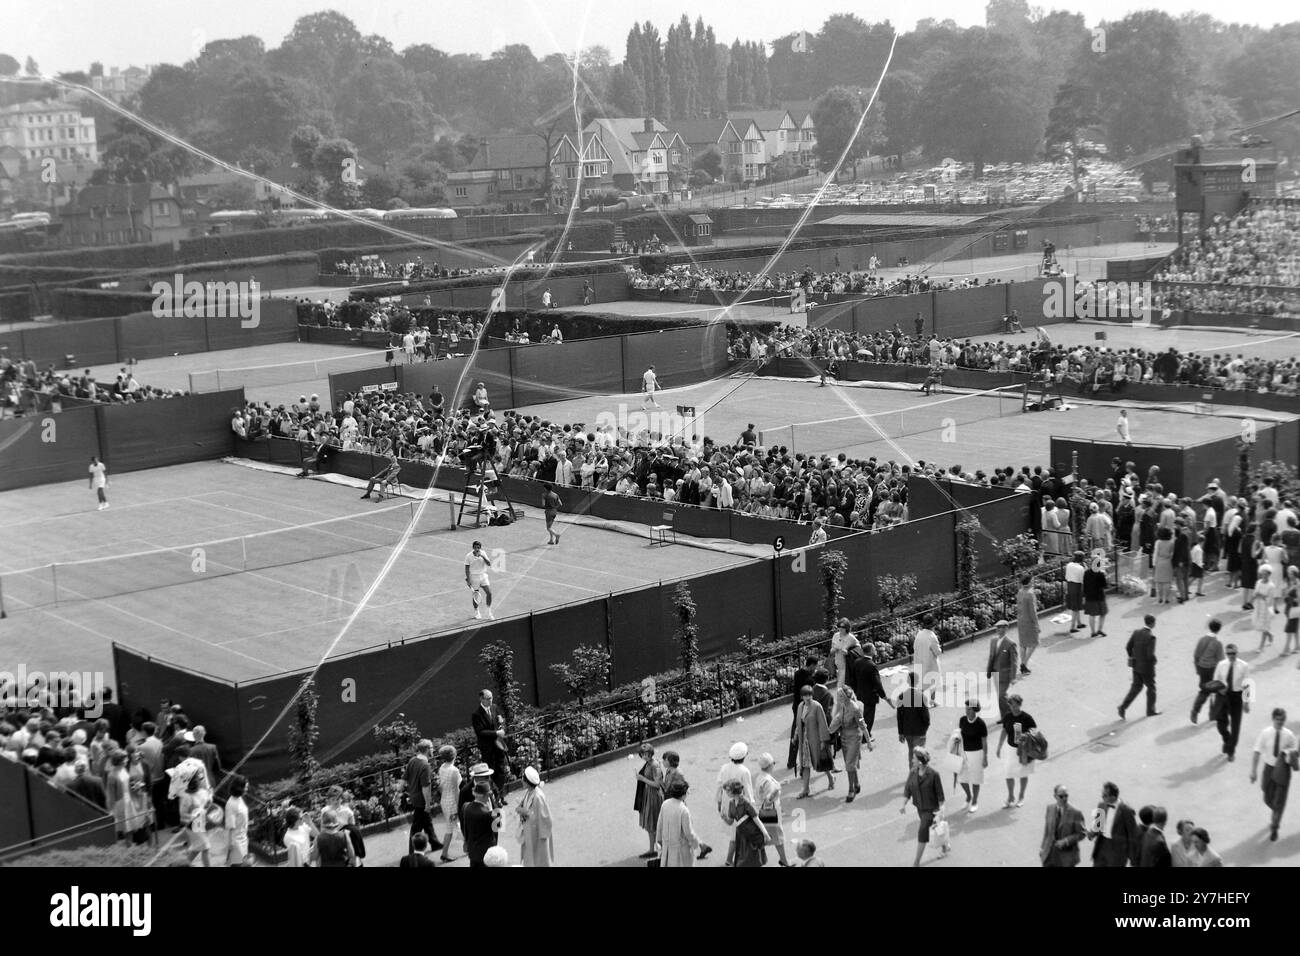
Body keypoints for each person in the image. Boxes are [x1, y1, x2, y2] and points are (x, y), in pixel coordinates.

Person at [1250, 707, 1298, 841]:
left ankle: (1275, 826)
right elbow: (1257, 751)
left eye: (1282, 720)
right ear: (1273, 719)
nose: (1280, 723)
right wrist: (1253, 771)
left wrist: (1290, 756)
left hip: (1283, 770)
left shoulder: (1289, 735)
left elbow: (1295, 754)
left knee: (1280, 801)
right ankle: (1275, 810)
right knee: (1267, 797)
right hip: (1269, 769)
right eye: (1278, 720)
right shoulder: (1265, 733)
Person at [900, 747, 946, 867]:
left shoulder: (934, 775)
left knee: (923, 833)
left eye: (914, 759)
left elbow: (940, 796)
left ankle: (916, 862)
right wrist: (903, 804)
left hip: (931, 810)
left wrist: (940, 813)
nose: (912, 760)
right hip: (920, 808)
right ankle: (945, 846)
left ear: (920, 762)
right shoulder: (913, 772)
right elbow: (908, 788)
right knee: (935, 828)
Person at [829, 684, 869, 802]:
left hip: (854, 738)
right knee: (850, 764)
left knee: (849, 765)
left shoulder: (855, 709)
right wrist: (830, 729)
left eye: (840, 695)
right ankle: (856, 784)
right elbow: (837, 719)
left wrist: (869, 742)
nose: (838, 697)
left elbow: (862, 725)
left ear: (847, 696)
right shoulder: (842, 706)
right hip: (844, 738)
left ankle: (851, 790)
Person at [996, 694, 1037, 808]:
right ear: (1009, 705)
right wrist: (999, 746)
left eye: (1016, 705)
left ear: (1020, 704)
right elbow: (1004, 730)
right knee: (1008, 773)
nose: (1014, 707)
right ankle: (1010, 797)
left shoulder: (1026, 717)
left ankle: (1021, 796)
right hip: (1010, 749)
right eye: (1012, 705)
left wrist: (1026, 734)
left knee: (1023, 773)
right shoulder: (1008, 717)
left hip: (1024, 749)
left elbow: (1033, 729)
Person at [716, 741, 754, 864]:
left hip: (727, 804)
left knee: (734, 834)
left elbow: (719, 787)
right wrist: (752, 809)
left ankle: (729, 860)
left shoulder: (724, 767)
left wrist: (719, 804)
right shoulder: (744, 771)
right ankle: (735, 860)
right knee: (738, 835)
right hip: (740, 807)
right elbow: (748, 791)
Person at [1211, 643, 1250, 760]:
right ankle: (1227, 740)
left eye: (1233, 653)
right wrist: (1217, 693)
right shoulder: (1221, 665)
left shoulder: (1244, 666)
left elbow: (1247, 684)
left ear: (1237, 653)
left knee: (1235, 726)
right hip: (1223, 696)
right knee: (1221, 725)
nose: (1231, 656)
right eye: (1228, 653)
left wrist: (1246, 702)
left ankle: (1230, 751)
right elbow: (1215, 679)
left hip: (1236, 697)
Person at [793, 685, 833, 798]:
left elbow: (822, 724)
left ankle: (831, 777)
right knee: (805, 765)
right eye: (806, 695)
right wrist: (796, 735)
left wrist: (823, 741)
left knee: (820, 761)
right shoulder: (800, 706)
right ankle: (805, 789)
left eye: (810, 694)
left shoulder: (817, 706)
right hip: (804, 740)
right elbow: (799, 723)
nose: (808, 697)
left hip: (815, 739)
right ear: (801, 697)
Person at [1089, 781, 1140, 867]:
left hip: (1118, 850)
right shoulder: (1101, 804)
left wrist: (1133, 858)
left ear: (1113, 796)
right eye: (1102, 794)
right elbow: (1098, 825)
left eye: (1105, 795)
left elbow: (1132, 834)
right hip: (1102, 845)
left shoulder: (1126, 810)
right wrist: (1092, 833)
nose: (1102, 797)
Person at [404, 739, 442, 856]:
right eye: (431, 748)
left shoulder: (412, 761)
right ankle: (413, 852)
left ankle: (434, 843)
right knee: (417, 827)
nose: (433, 750)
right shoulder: (425, 765)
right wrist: (427, 804)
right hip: (421, 800)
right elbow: (425, 787)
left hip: (415, 797)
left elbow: (406, 778)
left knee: (427, 821)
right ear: (426, 750)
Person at [1118, 614, 1160, 720]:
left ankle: (1123, 707)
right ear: (1152, 623)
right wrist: (1154, 662)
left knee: (1136, 687)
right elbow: (1150, 655)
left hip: (1136, 665)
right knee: (1151, 688)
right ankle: (1150, 710)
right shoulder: (1151, 637)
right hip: (1147, 667)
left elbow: (1128, 647)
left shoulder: (1136, 633)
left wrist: (1132, 657)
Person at [753, 753, 791, 866]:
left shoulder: (761, 776)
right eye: (773, 763)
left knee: (768, 836)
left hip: (763, 810)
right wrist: (777, 789)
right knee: (776, 837)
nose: (774, 765)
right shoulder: (768, 781)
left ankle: (782, 860)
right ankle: (784, 861)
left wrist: (779, 784)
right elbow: (768, 800)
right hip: (769, 812)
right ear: (769, 765)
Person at [846, 645, 891, 736]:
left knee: (864, 714)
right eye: (874, 649)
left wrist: (855, 690)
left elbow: (852, 678)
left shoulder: (857, 662)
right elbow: (877, 683)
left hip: (860, 692)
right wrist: (884, 696)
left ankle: (862, 732)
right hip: (870, 695)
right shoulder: (872, 665)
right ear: (870, 651)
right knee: (869, 716)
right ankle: (866, 735)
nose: (875, 650)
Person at [656, 777, 701, 867]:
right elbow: (689, 833)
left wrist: (659, 841)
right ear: (683, 794)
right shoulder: (683, 810)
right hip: (681, 850)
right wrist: (696, 845)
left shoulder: (665, 804)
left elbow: (659, 825)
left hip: (667, 848)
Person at [471, 689, 507, 800]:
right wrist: (496, 733)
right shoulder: (476, 714)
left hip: (499, 746)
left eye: (491, 698)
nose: (491, 700)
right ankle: (494, 797)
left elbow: (499, 723)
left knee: (501, 770)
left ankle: (501, 795)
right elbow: (480, 732)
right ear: (481, 699)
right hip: (487, 748)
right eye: (488, 698)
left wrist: (502, 722)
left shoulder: (494, 708)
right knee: (491, 772)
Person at [723, 778, 768, 867]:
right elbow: (731, 822)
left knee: (752, 861)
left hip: (751, 836)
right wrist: (724, 817)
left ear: (734, 791)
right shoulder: (731, 803)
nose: (726, 792)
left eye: (728, 790)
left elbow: (756, 819)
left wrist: (765, 834)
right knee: (743, 862)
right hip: (741, 836)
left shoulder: (746, 803)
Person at [954, 698, 988, 812]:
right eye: (966, 709)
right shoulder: (962, 720)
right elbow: (959, 735)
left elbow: (984, 741)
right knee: (962, 778)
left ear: (974, 710)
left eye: (969, 709)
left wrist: (985, 757)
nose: (966, 711)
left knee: (975, 779)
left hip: (977, 754)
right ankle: (968, 796)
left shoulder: (981, 723)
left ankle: (975, 801)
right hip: (964, 753)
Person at [1041, 784, 1086, 867]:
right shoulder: (1050, 808)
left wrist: (1066, 841)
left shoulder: (1076, 813)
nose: (1064, 798)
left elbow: (1082, 833)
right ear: (1055, 796)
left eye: (1066, 795)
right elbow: (1047, 830)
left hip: (1066, 856)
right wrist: (1043, 847)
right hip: (1049, 854)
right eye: (1061, 796)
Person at [1190, 619, 1226, 724]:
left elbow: (1196, 655)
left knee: (1205, 690)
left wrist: (1197, 669)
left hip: (1201, 668)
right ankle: (1213, 715)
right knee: (1218, 690)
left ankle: (1195, 711)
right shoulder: (1218, 643)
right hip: (1212, 669)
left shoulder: (1202, 639)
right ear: (1219, 629)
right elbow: (1221, 661)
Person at [516, 766, 554, 866]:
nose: (521, 781)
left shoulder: (538, 796)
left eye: (523, 779)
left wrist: (525, 812)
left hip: (537, 834)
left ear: (527, 781)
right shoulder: (529, 792)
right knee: (530, 858)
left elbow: (545, 817)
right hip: (529, 832)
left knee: (539, 859)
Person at [895, 670, 932, 770]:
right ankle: (918, 775)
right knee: (919, 754)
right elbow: (926, 717)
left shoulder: (901, 696)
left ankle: (912, 773)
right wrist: (925, 729)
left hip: (907, 731)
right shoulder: (921, 696)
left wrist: (901, 732)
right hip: (919, 732)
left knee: (911, 753)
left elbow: (899, 716)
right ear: (917, 681)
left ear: (908, 681)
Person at [634, 742, 665, 858]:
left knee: (653, 824)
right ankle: (653, 849)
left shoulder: (654, 765)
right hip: (648, 795)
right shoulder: (649, 763)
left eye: (646, 754)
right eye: (642, 754)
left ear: (650, 753)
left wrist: (642, 779)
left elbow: (657, 785)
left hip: (654, 796)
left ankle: (658, 850)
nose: (644, 756)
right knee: (650, 825)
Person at [462, 780, 499, 867]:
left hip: (473, 851)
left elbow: (465, 828)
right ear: (486, 795)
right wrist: (492, 807)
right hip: (486, 854)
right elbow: (499, 824)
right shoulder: (488, 814)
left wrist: (465, 842)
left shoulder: (466, 807)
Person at [986, 620, 1019, 720]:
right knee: (1001, 697)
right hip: (996, 673)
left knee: (1001, 696)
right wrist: (989, 671)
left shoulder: (1010, 644)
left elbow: (1014, 662)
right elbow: (991, 656)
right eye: (997, 628)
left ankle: (1011, 714)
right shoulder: (993, 641)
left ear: (1006, 629)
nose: (999, 630)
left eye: (1001, 628)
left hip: (1005, 675)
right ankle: (1005, 716)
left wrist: (1013, 677)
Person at [436, 745, 461, 862]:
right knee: (450, 829)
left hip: (444, 800)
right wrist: (459, 804)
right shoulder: (454, 770)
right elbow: (457, 790)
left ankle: (467, 845)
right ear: (454, 756)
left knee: (455, 825)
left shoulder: (442, 768)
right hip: (452, 803)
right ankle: (444, 854)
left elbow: (441, 786)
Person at [465, 541, 495, 620]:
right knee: (476, 595)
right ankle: (477, 612)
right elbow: (467, 569)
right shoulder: (468, 556)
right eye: (475, 547)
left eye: (478, 547)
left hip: (483, 576)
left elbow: (489, 564)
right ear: (473, 547)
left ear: (480, 548)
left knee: (489, 593)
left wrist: (482, 556)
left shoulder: (483, 553)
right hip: (474, 577)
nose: (477, 549)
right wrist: (468, 579)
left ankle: (489, 612)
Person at [223, 776, 250, 866]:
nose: (247, 789)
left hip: (243, 838)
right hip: (236, 841)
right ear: (239, 788)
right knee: (238, 864)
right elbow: (230, 826)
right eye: (245, 787)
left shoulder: (239, 798)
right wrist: (230, 844)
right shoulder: (230, 804)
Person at [912, 614, 942, 692]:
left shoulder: (919, 634)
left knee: (922, 684)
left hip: (919, 661)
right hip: (930, 663)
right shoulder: (932, 637)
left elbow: (914, 647)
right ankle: (932, 701)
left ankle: (923, 701)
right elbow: (938, 652)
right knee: (932, 683)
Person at [1083, 554, 1109, 637]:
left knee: (1092, 615)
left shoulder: (1086, 572)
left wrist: (1084, 596)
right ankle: (1100, 630)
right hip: (1099, 596)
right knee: (1103, 614)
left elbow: (1085, 585)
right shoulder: (1101, 573)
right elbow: (1105, 585)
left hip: (1090, 596)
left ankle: (1093, 632)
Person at [1253, 565, 1278, 650]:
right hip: (1258, 606)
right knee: (1260, 626)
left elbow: (1270, 600)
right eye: (1262, 574)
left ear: (1269, 574)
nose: (1264, 575)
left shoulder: (1271, 586)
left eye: (1266, 574)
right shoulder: (1258, 582)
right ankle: (1270, 634)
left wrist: (1262, 596)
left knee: (1263, 626)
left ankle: (1261, 646)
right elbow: (1255, 593)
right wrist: (1252, 599)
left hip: (1266, 608)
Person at [829, 618, 860, 682]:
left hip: (848, 664)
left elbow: (858, 650)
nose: (840, 628)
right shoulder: (835, 636)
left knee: (845, 685)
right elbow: (831, 650)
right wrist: (833, 650)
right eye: (839, 626)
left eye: (842, 627)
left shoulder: (851, 638)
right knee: (842, 685)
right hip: (839, 664)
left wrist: (848, 652)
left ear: (847, 627)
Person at [1065, 551, 1086, 633]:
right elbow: (1082, 580)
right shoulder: (1081, 568)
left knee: (1075, 607)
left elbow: (1066, 576)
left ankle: (1079, 623)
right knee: (1076, 607)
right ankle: (1072, 627)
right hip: (1077, 586)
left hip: (1070, 585)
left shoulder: (1069, 565)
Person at [1283, 565, 1300, 657]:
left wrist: (1291, 591)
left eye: (1290, 573)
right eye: (1288, 573)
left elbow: (1299, 599)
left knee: (1289, 628)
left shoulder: (1297, 583)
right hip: (1289, 607)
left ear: (1295, 574)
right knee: (1294, 628)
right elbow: (1284, 593)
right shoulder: (1289, 582)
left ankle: (1286, 648)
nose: (1289, 574)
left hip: (1294, 608)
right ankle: (1297, 646)